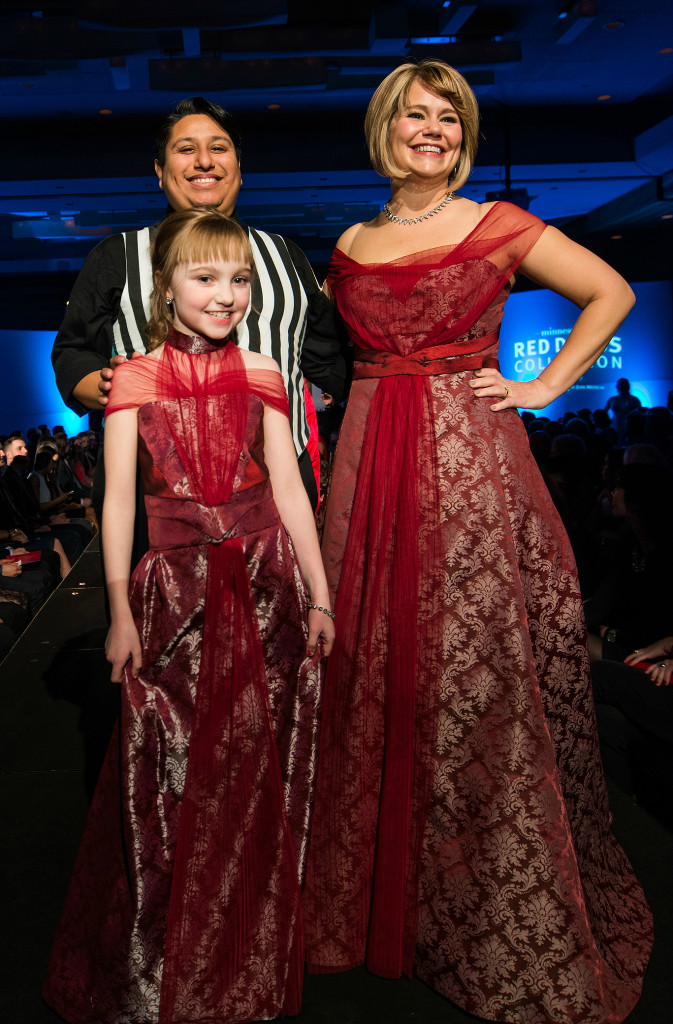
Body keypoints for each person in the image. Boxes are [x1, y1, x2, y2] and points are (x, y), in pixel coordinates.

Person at [304, 59, 652, 1024]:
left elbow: (611, 293)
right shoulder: (350, 239)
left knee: (473, 672)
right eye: (415, 116)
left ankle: (477, 892)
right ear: (385, 128)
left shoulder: (500, 225)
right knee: (376, 670)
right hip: (369, 463)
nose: (434, 132)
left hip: (468, 459)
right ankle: (383, 895)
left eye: (449, 119)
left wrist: (541, 389)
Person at [43, 209, 335, 1024]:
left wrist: (320, 593)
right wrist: (118, 613)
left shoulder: (265, 372)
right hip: (172, 593)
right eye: (206, 277)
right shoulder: (130, 379)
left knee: (257, 756)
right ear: (164, 288)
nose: (228, 294)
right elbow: (117, 501)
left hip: (268, 582)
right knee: (171, 768)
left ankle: (253, 924)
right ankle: (179, 934)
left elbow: (291, 490)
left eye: (239, 279)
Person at [51, 95, 347, 530]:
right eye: (186, 148)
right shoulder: (118, 256)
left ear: (240, 170)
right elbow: (73, 350)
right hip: (158, 497)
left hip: (279, 489)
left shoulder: (287, 256)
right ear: (159, 170)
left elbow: (329, 357)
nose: (204, 161)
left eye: (219, 148)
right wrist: (102, 384)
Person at [605, 377, 641, 443]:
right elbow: (604, 413)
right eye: (620, 385)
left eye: (623, 385)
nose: (621, 386)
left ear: (627, 386)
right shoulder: (612, 399)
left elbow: (639, 414)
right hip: (615, 427)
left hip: (630, 429)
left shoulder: (634, 399)